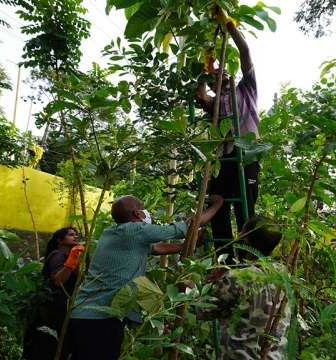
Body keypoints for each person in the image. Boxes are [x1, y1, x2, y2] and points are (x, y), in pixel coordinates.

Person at [69, 194, 224, 360]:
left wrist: (189, 245)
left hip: (83, 314)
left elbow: (157, 248)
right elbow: (188, 226)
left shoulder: (113, 233)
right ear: (137, 214)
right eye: (143, 208)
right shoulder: (135, 230)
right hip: (101, 318)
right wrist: (217, 204)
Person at [196, 7, 261, 258]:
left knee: (246, 212)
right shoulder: (215, 103)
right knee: (216, 204)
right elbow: (200, 94)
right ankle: (227, 259)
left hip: (248, 155)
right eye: (217, 72)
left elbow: (245, 52)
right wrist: (205, 62)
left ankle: (250, 261)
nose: (222, 71)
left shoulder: (246, 90)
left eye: (225, 71)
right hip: (226, 158)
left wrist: (229, 25)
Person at [201, 216, 289, 360]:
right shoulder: (283, 274)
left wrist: (193, 286)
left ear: (245, 240)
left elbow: (203, 310)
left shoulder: (237, 278)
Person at [23, 227, 84, 360]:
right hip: (51, 312)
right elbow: (58, 280)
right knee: (47, 349)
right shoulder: (57, 255)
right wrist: (72, 259)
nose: (75, 237)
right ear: (59, 240)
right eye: (71, 235)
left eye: (76, 235)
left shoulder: (69, 257)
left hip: (63, 310)